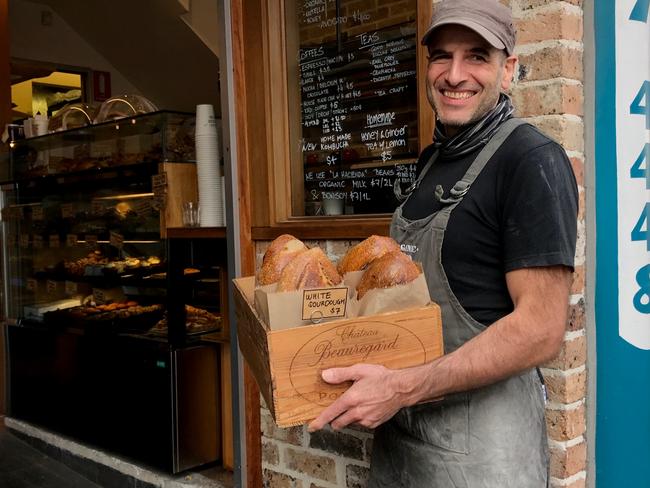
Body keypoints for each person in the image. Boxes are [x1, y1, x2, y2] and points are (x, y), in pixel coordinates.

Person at [308, 0, 579, 486]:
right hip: (403, 434)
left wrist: (402, 388)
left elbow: (541, 327)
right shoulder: (432, 161)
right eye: (441, 56)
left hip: (483, 454)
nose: (455, 74)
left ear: (508, 70)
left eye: (477, 56)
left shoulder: (531, 161)